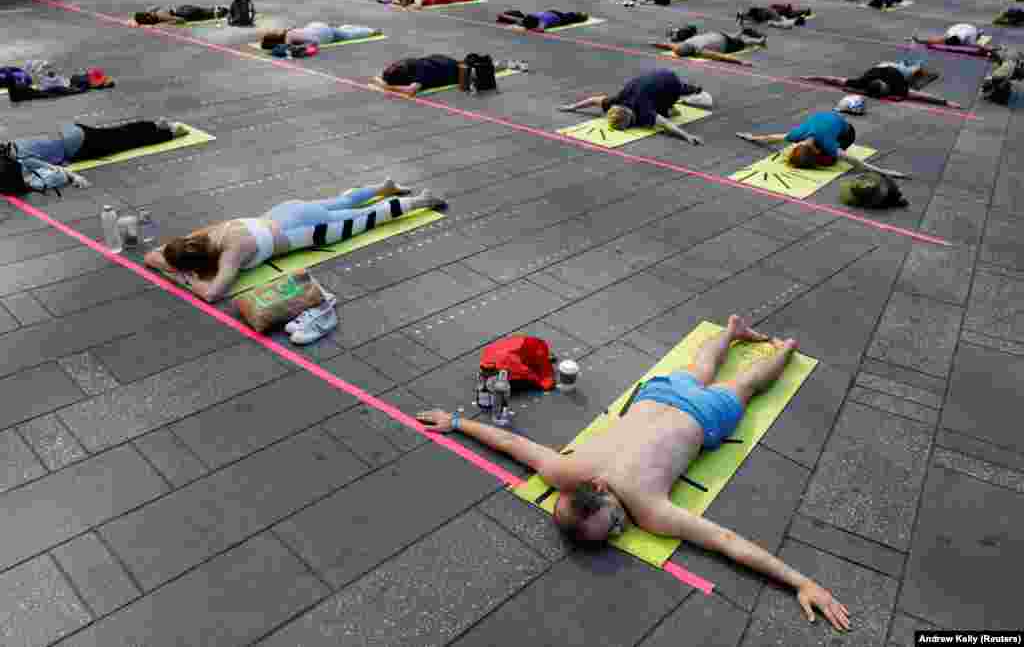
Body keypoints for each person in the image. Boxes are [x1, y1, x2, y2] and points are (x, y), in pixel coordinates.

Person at [416, 316, 851, 633]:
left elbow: (726, 541)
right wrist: (455, 423)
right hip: (659, 394)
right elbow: (512, 444)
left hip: (702, 415)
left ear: (598, 489)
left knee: (746, 385)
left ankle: (787, 349)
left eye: (616, 521)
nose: (625, 529)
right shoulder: (565, 469)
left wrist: (802, 582)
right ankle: (731, 330)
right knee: (699, 369)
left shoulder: (647, 509)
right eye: (617, 531)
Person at [143, 179, 446, 303]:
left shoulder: (230, 254)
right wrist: (174, 265)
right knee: (342, 203)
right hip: (287, 211)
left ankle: (421, 201)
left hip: (304, 230)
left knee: (364, 219)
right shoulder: (203, 236)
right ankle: (384, 186)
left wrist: (182, 277)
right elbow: (151, 256)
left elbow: (212, 294)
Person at [0, 120, 187, 194]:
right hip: (73, 130)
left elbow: (55, 169)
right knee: (120, 132)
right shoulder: (18, 143)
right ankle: (155, 124)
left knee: (127, 141)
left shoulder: (23, 158)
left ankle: (170, 134)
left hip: (78, 146)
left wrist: (76, 177)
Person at [736, 111, 909, 180]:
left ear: (816, 150)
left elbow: (857, 163)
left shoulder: (827, 144)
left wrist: (886, 173)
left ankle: (824, 157)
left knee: (829, 160)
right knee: (828, 155)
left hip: (847, 133)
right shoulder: (797, 135)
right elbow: (771, 138)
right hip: (828, 118)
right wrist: (751, 138)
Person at [557, 69, 708, 144]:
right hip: (654, 74)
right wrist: (572, 107)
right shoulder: (618, 100)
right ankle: (692, 89)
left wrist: (687, 136)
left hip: (670, 83)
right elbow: (593, 100)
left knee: (669, 113)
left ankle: (693, 91)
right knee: (657, 103)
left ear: (631, 118)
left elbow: (666, 124)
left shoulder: (643, 109)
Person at [800, 62, 962, 107]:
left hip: (896, 69)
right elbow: (834, 80)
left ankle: (914, 65)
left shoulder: (897, 85)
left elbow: (921, 95)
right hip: (880, 66)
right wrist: (812, 77)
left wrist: (946, 102)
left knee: (913, 71)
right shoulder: (863, 82)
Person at [652, 30, 766, 65]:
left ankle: (758, 41)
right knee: (736, 38)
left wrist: (741, 62)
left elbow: (720, 56)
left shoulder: (699, 51)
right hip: (714, 34)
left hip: (725, 43)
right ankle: (740, 33)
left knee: (743, 43)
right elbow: (668, 45)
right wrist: (656, 43)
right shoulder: (686, 42)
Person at [373, 54, 466, 96]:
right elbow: (377, 77)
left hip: (451, 70)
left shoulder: (420, 71)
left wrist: (388, 87)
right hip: (439, 60)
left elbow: (411, 91)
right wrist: (383, 83)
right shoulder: (401, 65)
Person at [260, 22, 380, 49]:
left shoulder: (288, 38)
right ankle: (345, 26)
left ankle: (372, 31)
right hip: (316, 26)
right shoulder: (288, 32)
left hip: (323, 33)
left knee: (349, 36)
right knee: (342, 32)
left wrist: (304, 47)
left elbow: (315, 41)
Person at [907, 24, 998, 57]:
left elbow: (980, 47)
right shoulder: (949, 35)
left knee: (977, 37)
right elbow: (933, 41)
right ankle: (979, 32)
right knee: (940, 39)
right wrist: (919, 41)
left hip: (971, 28)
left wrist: (992, 49)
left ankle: (980, 32)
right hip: (957, 27)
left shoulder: (969, 40)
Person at [497, 9, 589, 30]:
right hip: (552, 13)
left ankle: (583, 15)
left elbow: (540, 29)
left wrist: (504, 16)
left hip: (558, 16)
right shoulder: (529, 19)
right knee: (571, 15)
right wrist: (504, 16)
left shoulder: (542, 21)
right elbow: (517, 19)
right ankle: (581, 15)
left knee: (573, 17)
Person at [134, 5, 228, 25]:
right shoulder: (154, 11)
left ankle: (222, 11)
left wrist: (168, 23)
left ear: (148, 17)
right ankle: (220, 10)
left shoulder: (161, 16)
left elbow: (180, 20)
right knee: (206, 11)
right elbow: (156, 7)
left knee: (207, 15)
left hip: (185, 13)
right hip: (183, 8)